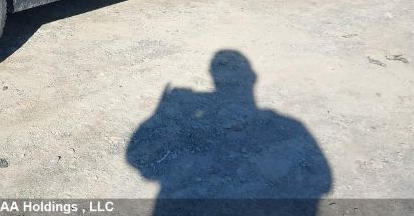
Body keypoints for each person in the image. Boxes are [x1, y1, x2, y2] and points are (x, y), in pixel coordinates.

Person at [127, 50, 332, 216]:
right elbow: (322, 181)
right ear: (253, 78)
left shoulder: (289, 127)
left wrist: (161, 112)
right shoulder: (291, 126)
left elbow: (141, 164)